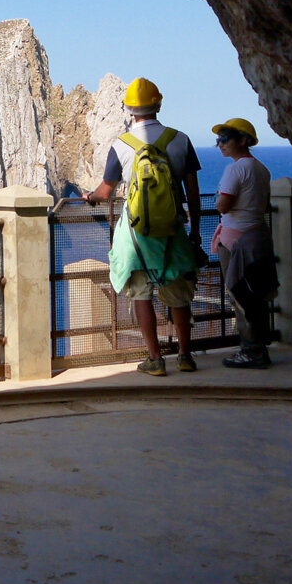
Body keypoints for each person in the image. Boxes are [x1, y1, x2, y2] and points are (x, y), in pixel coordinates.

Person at [83, 77, 203, 376]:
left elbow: (106, 191)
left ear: (128, 109)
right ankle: (185, 356)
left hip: (136, 234)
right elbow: (193, 192)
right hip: (173, 230)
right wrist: (196, 228)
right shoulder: (181, 140)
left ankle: (155, 360)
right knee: (178, 295)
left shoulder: (121, 145)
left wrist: (89, 197)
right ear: (158, 104)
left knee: (141, 295)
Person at [211, 117, 278, 368]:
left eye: (225, 138)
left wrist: (219, 199)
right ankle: (259, 347)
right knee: (257, 294)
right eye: (218, 140)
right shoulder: (261, 169)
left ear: (243, 140)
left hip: (235, 241)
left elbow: (223, 204)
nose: (220, 144)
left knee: (239, 294)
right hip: (258, 236)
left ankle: (251, 350)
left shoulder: (235, 169)